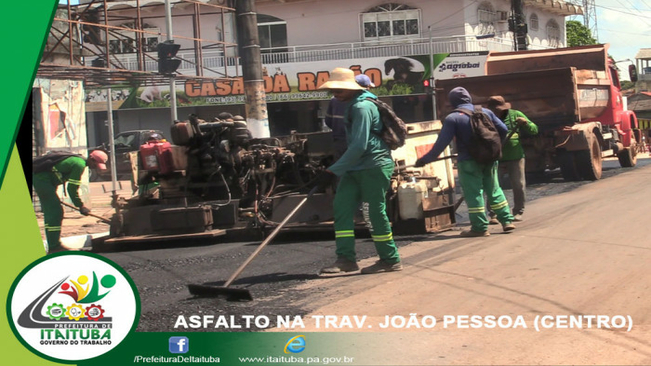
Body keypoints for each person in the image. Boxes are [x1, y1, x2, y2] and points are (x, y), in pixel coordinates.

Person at [316, 67, 402, 274]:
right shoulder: (351, 104)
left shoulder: (362, 107)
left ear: (352, 87)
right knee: (342, 207)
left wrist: (331, 171)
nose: (335, 93)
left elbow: (359, 145)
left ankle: (390, 259)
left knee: (374, 213)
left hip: (373, 165)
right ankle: (345, 259)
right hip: (354, 166)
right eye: (333, 89)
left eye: (339, 89)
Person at [414, 87, 516, 237]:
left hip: (468, 161)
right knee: (494, 189)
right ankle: (507, 221)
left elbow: (441, 144)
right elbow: (503, 129)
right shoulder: (485, 112)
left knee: (473, 193)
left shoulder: (453, 118)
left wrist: (424, 160)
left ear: (452, 102)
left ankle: (480, 227)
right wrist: (494, 147)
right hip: (490, 158)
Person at [33, 150, 109, 253]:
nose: (95, 167)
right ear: (91, 159)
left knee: (54, 212)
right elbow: (72, 189)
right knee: (55, 212)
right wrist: (81, 206)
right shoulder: (79, 165)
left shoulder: (78, 162)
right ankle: (54, 247)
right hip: (42, 180)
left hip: (45, 181)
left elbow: (56, 173)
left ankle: (54, 244)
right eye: (96, 164)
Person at [486, 95, 538, 223]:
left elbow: (534, 130)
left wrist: (525, 123)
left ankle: (518, 211)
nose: (498, 112)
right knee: (492, 186)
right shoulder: (486, 117)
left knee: (518, 184)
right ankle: (493, 213)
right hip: (494, 157)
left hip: (515, 156)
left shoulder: (515, 114)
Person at [325, 74, 375, 160]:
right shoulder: (365, 103)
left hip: (340, 140)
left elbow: (328, 121)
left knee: (342, 167)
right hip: (358, 143)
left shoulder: (334, 100)